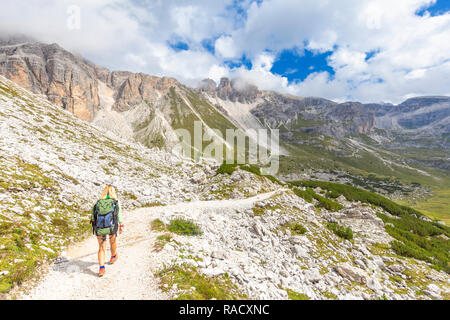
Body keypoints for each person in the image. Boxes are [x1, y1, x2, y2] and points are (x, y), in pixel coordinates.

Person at [91, 185, 124, 277]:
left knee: (101, 247)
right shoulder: (115, 202)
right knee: (112, 241)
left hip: (100, 227)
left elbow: (93, 217)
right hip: (111, 226)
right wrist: (121, 225)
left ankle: (101, 268)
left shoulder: (98, 202)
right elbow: (119, 215)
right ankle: (113, 257)